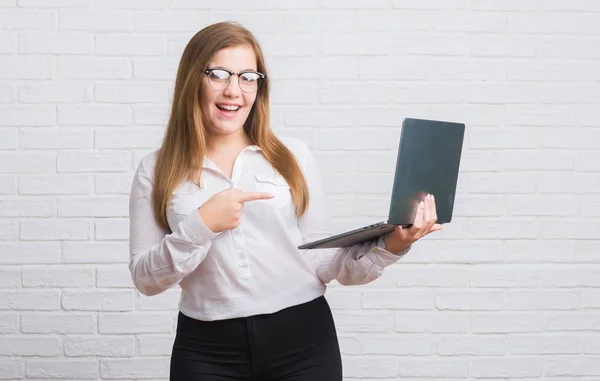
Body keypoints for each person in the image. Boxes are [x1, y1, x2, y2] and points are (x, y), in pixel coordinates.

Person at [128, 21, 442, 381]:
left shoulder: (293, 156)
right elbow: (145, 279)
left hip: (304, 341)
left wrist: (392, 244)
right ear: (192, 80)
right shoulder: (156, 169)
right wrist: (201, 225)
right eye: (218, 74)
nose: (234, 90)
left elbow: (325, 264)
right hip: (206, 349)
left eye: (248, 77)